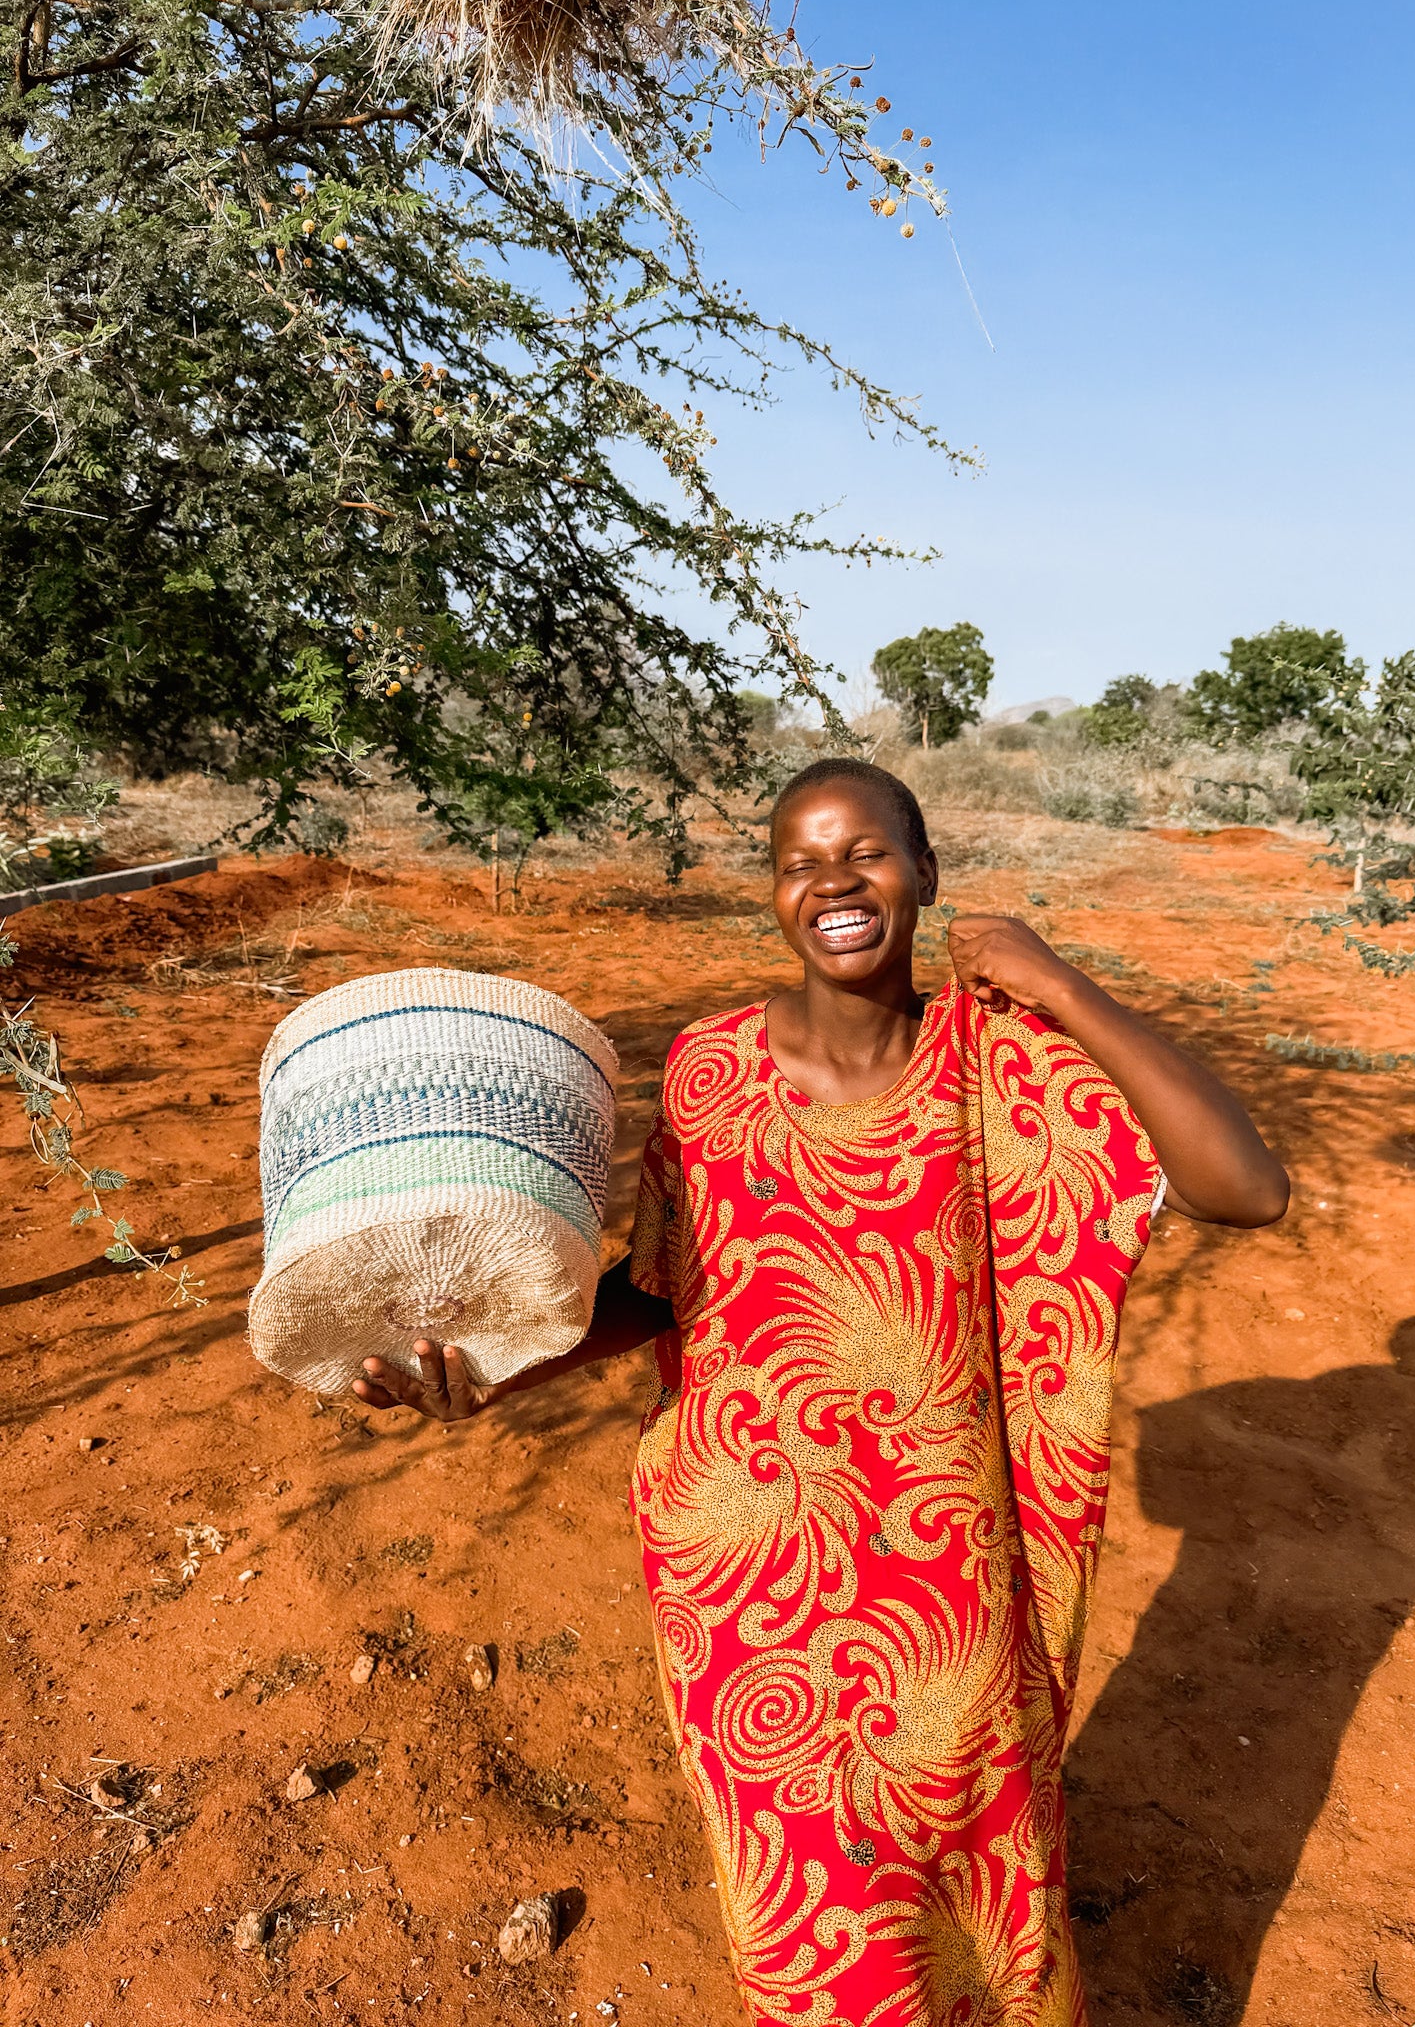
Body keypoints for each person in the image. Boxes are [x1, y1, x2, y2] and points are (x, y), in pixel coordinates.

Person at [353, 757, 1289, 2026]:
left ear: (925, 874)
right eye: (801, 859)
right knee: (806, 1916)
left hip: (950, 1573)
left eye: (867, 852)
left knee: (975, 1869)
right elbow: (660, 1293)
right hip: (742, 1569)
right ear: (774, 893)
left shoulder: (995, 1064)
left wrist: (1061, 983)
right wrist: (498, 1366)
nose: (834, 881)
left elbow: (1246, 1185)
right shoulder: (709, 1073)